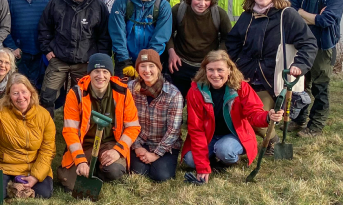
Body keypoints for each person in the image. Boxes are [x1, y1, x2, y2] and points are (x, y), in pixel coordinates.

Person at [226, 0, 316, 149]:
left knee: (256, 118)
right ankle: (250, 142)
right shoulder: (247, 16)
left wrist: (300, 65)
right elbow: (233, 43)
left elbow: (308, 43)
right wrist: (235, 66)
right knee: (233, 111)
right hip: (246, 76)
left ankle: (271, 141)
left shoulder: (287, 14)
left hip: (272, 79)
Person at [182, 51, 284, 183]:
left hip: (235, 135)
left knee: (225, 150)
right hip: (208, 136)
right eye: (210, 70)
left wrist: (267, 117)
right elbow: (196, 129)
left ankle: (230, 158)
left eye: (220, 70)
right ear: (204, 71)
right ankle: (211, 159)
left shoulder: (241, 88)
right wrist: (202, 167)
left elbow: (254, 113)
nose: (215, 74)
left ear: (229, 70)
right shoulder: (195, 92)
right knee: (190, 160)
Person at [57, 54, 140, 190]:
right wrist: (80, 160)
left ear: (110, 74)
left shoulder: (123, 93)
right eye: (96, 71)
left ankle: (98, 168)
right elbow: (70, 131)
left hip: (110, 143)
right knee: (69, 184)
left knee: (114, 171)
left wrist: (117, 151)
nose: (100, 76)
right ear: (89, 73)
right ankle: (89, 165)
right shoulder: (76, 93)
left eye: (105, 71)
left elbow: (133, 127)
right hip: (84, 144)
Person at [38, 0, 111, 117]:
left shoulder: (97, 6)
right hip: (59, 59)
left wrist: (99, 60)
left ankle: (79, 129)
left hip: (85, 62)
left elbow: (104, 36)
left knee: (84, 98)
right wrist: (47, 50)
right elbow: (44, 28)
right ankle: (46, 131)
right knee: (46, 96)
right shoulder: (56, 3)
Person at [288, 0, 343, 137]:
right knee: (300, 84)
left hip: (323, 45)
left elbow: (326, 21)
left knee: (320, 86)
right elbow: (290, 11)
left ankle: (316, 126)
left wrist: (301, 13)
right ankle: (298, 120)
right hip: (301, 43)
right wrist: (312, 16)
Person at [0, 74, 56, 199]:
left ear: (31, 93)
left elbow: (48, 149)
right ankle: (11, 185)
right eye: (15, 93)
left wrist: (35, 176)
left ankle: (17, 186)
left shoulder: (44, 115)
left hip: (32, 165)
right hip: (5, 165)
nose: (21, 97)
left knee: (44, 193)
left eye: (24, 92)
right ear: (9, 96)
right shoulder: (0, 108)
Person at [167, 0, 232, 101]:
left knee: (204, 101)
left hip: (206, 66)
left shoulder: (219, 14)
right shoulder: (178, 10)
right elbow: (167, 34)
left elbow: (228, 38)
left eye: (207, 0)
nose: (202, 4)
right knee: (177, 100)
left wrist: (218, 57)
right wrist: (171, 52)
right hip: (180, 63)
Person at [0, 0, 55, 89]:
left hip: (42, 51)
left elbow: (54, 22)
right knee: (19, 87)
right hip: (18, 52)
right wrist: (12, 47)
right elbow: (2, 23)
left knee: (40, 88)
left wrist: (49, 47)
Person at [109, 0, 172, 78]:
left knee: (150, 94)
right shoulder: (121, 3)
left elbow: (160, 37)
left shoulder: (163, 6)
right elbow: (117, 34)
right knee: (123, 94)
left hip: (152, 61)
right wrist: (125, 61)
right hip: (125, 59)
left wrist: (146, 62)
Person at [128, 49, 183, 182]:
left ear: (159, 68)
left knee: (161, 176)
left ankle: (161, 161)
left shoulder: (173, 94)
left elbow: (173, 130)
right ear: (137, 69)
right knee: (139, 172)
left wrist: (155, 154)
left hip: (164, 144)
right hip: (140, 141)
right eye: (142, 66)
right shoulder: (130, 89)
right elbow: (126, 120)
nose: (147, 70)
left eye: (151, 66)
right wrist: (137, 147)